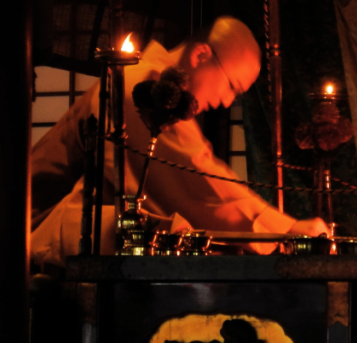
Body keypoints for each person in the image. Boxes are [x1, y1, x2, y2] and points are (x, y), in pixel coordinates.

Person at [31, 16, 328, 268]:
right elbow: (196, 178)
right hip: (38, 233)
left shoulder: (159, 89)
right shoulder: (139, 83)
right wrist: (286, 229)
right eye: (231, 86)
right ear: (201, 55)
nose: (226, 101)